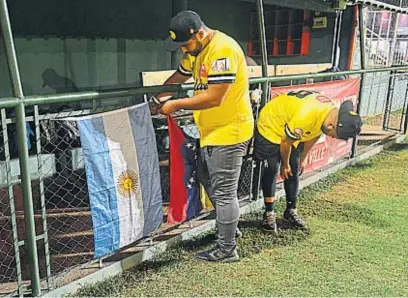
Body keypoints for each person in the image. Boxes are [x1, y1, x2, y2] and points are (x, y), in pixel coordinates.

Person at [151, 10, 254, 262]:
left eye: (186, 44)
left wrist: (175, 105)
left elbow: (214, 97)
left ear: (200, 33)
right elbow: (180, 75)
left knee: (224, 192)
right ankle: (229, 228)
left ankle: (227, 249)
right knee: (208, 180)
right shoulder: (196, 51)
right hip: (211, 132)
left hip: (230, 131)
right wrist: (160, 95)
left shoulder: (222, 50)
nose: (184, 50)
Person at [253, 90, 363, 233]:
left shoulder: (330, 114)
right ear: (331, 125)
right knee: (273, 167)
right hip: (271, 124)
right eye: (334, 136)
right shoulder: (306, 116)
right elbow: (286, 142)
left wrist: (303, 158)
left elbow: (316, 134)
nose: (333, 138)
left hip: (291, 125)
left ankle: (291, 210)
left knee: (295, 167)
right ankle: (269, 213)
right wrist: (284, 164)